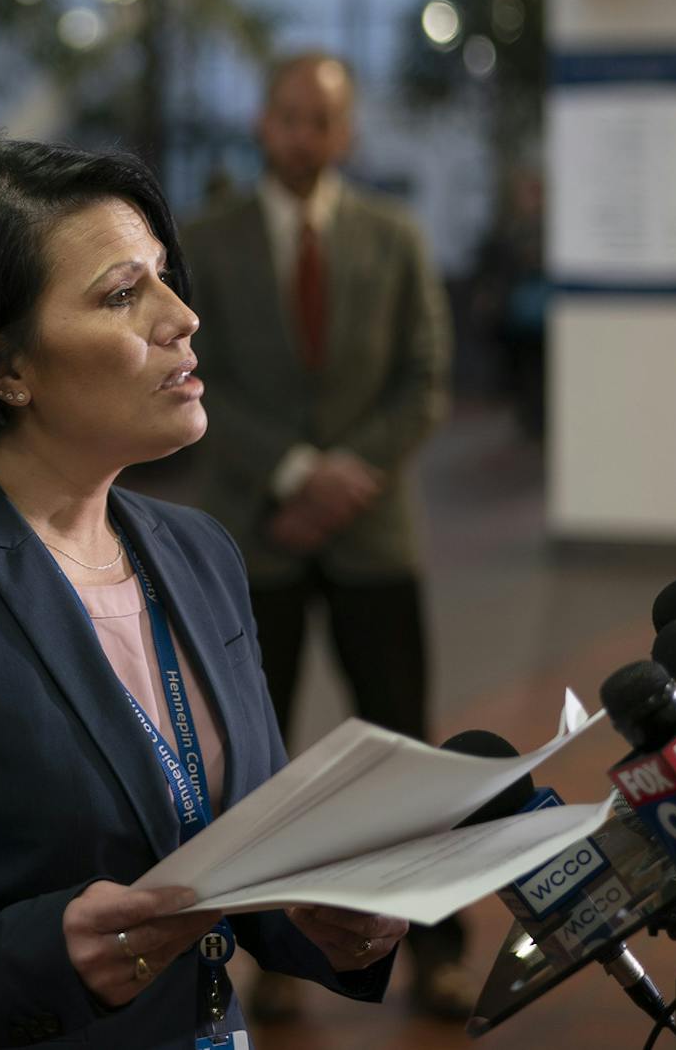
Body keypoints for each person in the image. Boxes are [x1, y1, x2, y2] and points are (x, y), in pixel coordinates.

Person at [0, 137, 405, 1049]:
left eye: (165, 279)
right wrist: (35, 954)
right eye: (123, 294)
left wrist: (331, 920)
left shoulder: (199, 552)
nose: (182, 318)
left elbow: (235, 858)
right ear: (4, 368)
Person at [179, 51, 460, 1020]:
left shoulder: (393, 237)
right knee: (249, 757)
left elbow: (423, 381)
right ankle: (259, 955)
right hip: (256, 534)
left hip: (374, 530)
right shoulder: (206, 243)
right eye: (289, 116)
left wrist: (342, 477)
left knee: (405, 751)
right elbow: (190, 369)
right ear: (264, 123)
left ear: (347, 134)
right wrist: (295, 472)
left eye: (323, 120)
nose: (304, 135)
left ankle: (436, 950)